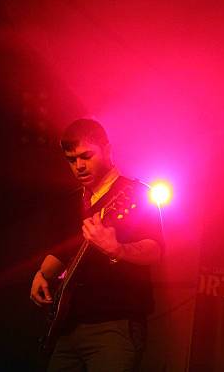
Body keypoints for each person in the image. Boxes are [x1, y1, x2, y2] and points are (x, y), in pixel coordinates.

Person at [30, 119, 163, 372]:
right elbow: (61, 252)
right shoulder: (69, 202)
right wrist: (41, 274)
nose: (78, 166)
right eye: (71, 160)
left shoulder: (134, 193)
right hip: (67, 328)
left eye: (86, 156)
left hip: (114, 325)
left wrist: (118, 249)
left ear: (108, 150)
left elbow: (155, 249)